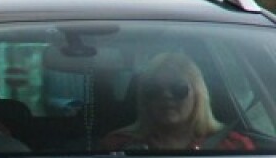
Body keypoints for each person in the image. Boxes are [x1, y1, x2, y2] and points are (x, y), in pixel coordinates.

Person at [99, 52, 254, 151]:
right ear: (144, 99)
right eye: (154, 90)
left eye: (178, 89)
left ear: (198, 94)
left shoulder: (233, 146)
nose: (166, 96)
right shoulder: (118, 145)